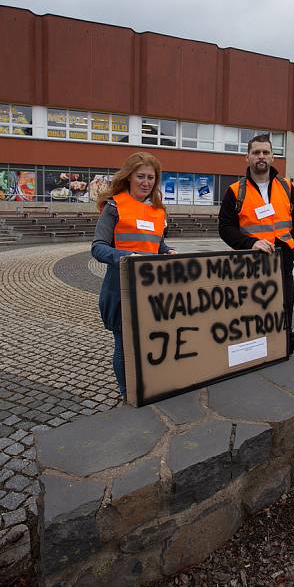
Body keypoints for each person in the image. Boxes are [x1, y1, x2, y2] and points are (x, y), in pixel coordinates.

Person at [91, 153, 176, 401]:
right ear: (128, 176)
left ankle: (148, 385)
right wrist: (130, 257)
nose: (146, 182)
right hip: (121, 289)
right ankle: (128, 392)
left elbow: (156, 243)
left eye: (151, 177)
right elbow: (98, 247)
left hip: (152, 290)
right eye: (141, 176)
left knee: (150, 343)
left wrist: (166, 251)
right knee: (124, 345)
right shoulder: (114, 206)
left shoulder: (158, 211)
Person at [218, 133, 294, 355]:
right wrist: (251, 243)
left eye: (265, 152)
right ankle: (252, 354)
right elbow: (225, 228)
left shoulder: (286, 186)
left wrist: (293, 242)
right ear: (247, 157)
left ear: (273, 157)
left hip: (283, 262)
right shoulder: (235, 191)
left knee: (285, 306)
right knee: (251, 312)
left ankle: (282, 349)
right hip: (250, 264)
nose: (261, 156)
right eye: (256, 152)